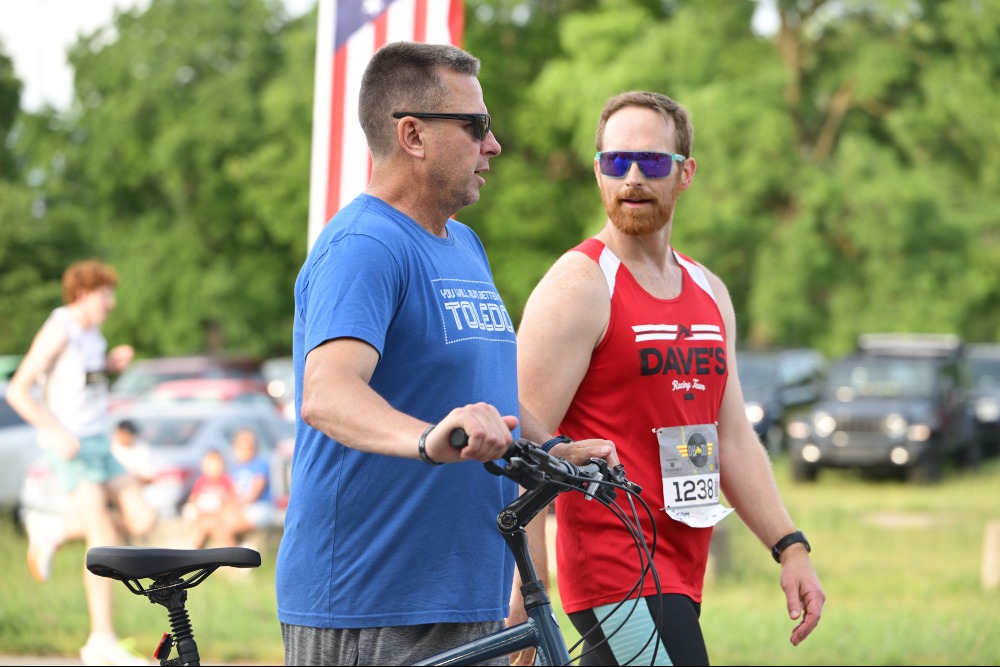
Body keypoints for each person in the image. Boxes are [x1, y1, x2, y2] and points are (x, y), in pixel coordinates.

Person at [274, 41, 613, 666]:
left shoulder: (464, 245)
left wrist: (551, 449)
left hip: (467, 590)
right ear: (413, 135)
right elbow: (327, 393)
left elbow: (483, 396)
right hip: (373, 600)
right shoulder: (364, 245)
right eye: (475, 125)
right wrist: (430, 438)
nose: (494, 145)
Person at [515, 91, 827, 665]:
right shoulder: (579, 286)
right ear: (598, 171)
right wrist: (528, 590)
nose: (632, 177)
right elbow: (525, 443)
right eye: (616, 161)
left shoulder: (710, 292)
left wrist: (790, 546)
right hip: (615, 570)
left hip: (682, 566)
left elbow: (731, 438)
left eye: (652, 162)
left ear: (686, 173)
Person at [5, 258, 157, 666]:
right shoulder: (61, 327)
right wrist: (56, 432)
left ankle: (53, 531)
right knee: (103, 533)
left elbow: (79, 381)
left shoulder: (93, 335)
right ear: (85, 293)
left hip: (98, 442)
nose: (112, 302)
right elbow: (18, 390)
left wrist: (110, 367)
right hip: (70, 445)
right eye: (106, 294)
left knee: (142, 518)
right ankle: (101, 639)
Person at [182, 448, 238, 549]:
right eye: (210, 466)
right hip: (204, 514)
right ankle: (192, 546)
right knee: (199, 523)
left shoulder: (226, 480)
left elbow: (232, 498)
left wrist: (221, 512)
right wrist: (199, 509)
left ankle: (232, 549)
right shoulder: (201, 481)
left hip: (219, 515)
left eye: (217, 466)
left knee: (218, 527)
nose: (214, 470)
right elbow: (193, 498)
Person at [110, 419, 155, 486]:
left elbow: (148, 476)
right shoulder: (109, 447)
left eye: (127, 434)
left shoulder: (141, 449)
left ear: (133, 435)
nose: (124, 437)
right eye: (122, 434)